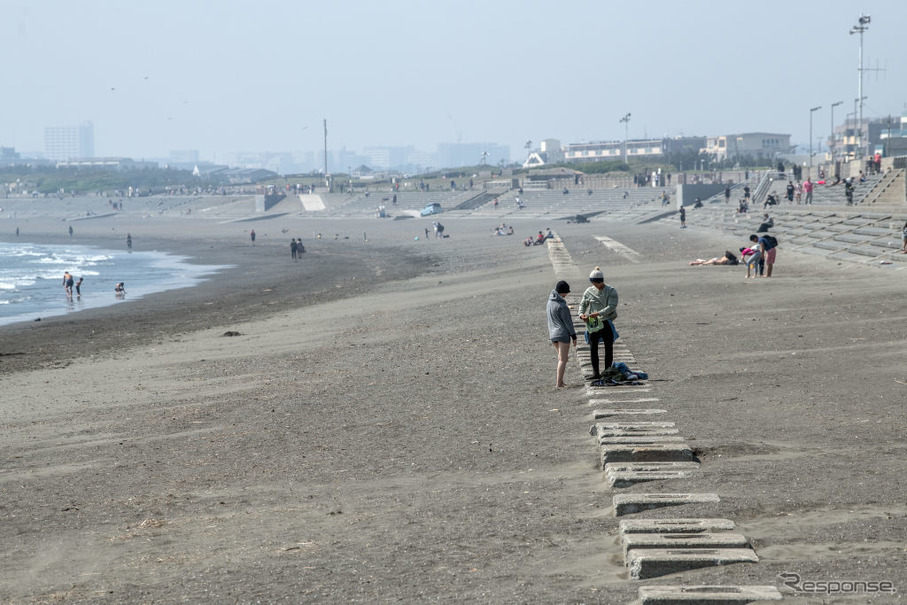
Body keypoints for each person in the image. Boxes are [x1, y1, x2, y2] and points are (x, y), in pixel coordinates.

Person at [578, 267, 618, 381]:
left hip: (606, 322)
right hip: (593, 323)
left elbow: (612, 306)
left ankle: (607, 371)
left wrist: (598, 313)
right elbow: (583, 304)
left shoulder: (611, 291)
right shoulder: (589, 291)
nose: (597, 285)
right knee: (593, 347)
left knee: (608, 347)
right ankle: (596, 372)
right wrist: (581, 314)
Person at [546, 280, 577, 388]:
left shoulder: (550, 302)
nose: (566, 295)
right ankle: (559, 383)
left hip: (553, 334)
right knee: (563, 359)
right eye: (566, 293)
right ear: (562, 292)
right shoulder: (562, 306)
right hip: (562, 334)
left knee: (562, 358)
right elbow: (568, 322)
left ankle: (561, 382)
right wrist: (574, 335)